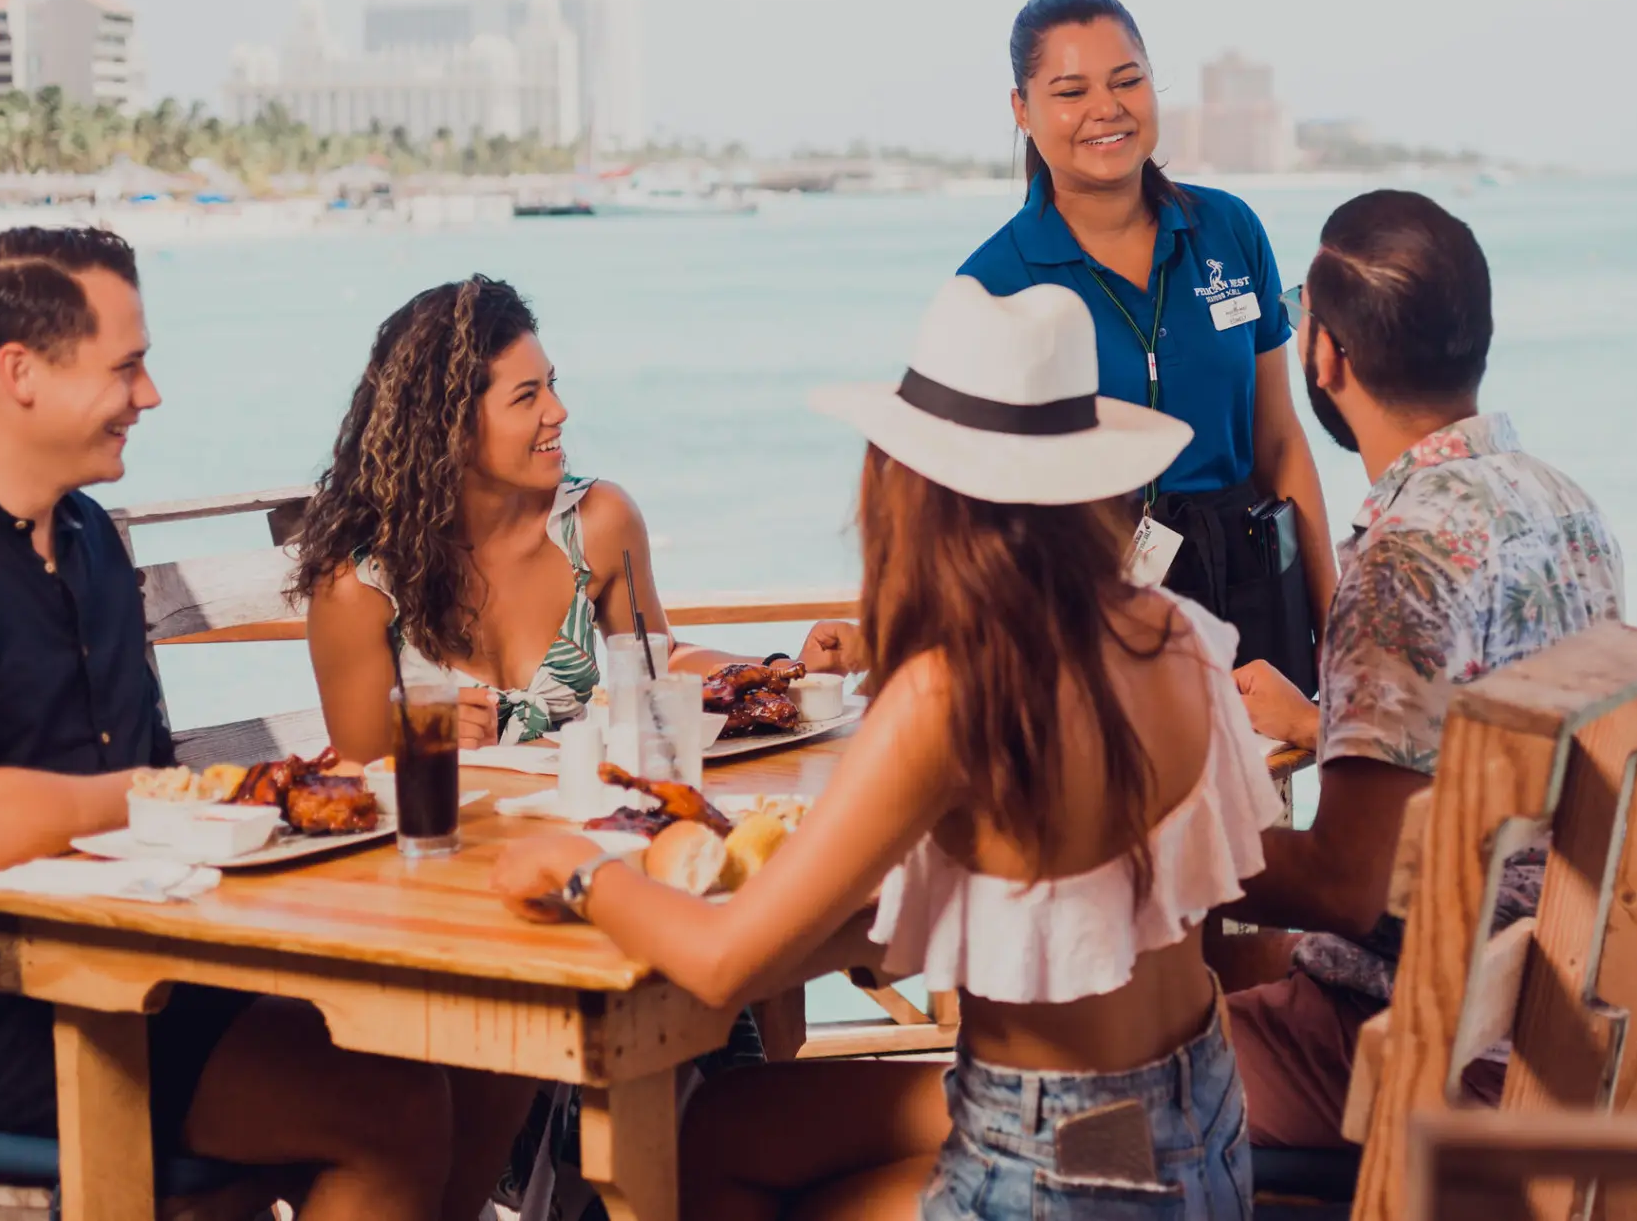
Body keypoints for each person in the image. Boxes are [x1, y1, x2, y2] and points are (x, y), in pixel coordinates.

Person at [490, 277, 1285, 1220]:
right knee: (725, 1132)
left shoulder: (953, 694)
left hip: (1057, 1167)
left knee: (707, 1164)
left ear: (910, 481)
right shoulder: (1177, 635)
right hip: (1198, 1130)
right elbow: (1043, 898)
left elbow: (720, 966)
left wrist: (582, 872)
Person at [0, 227, 509, 1221]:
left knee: (481, 1039)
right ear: (20, 372)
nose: (149, 396)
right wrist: (186, 792)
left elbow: (143, 800)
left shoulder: (91, 548)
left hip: (137, 966)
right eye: (128, 365)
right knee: (389, 1110)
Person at [1216, 190, 1626, 1151]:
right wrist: (1327, 724)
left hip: (1416, 1044)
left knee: (1085, 1084)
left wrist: (1132, 856)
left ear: (1325, 358)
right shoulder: (1565, 505)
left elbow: (1340, 891)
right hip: (1547, 1018)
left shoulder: (1400, 559)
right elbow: (1494, 741)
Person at [292, 275, 850, 760]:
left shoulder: (599, 522)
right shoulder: (358, 587)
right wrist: (417, 734)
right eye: (526, 397)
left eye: (551, 385)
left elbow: (658, 663)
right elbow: (357, 763)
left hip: (585, 831)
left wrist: (787, 669)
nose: (558, 412)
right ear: (449, 426)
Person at [952, 0, 1335, 690]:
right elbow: (977, 521)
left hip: (1254, 603)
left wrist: (1335, 626)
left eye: (1127, 80)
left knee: (1262, 801)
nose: (1107, 109)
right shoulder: (992, 284)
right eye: (1071, 91)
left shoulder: (1230, 230)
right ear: (1022, 111)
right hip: (1092, 621)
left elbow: (1280, 440)